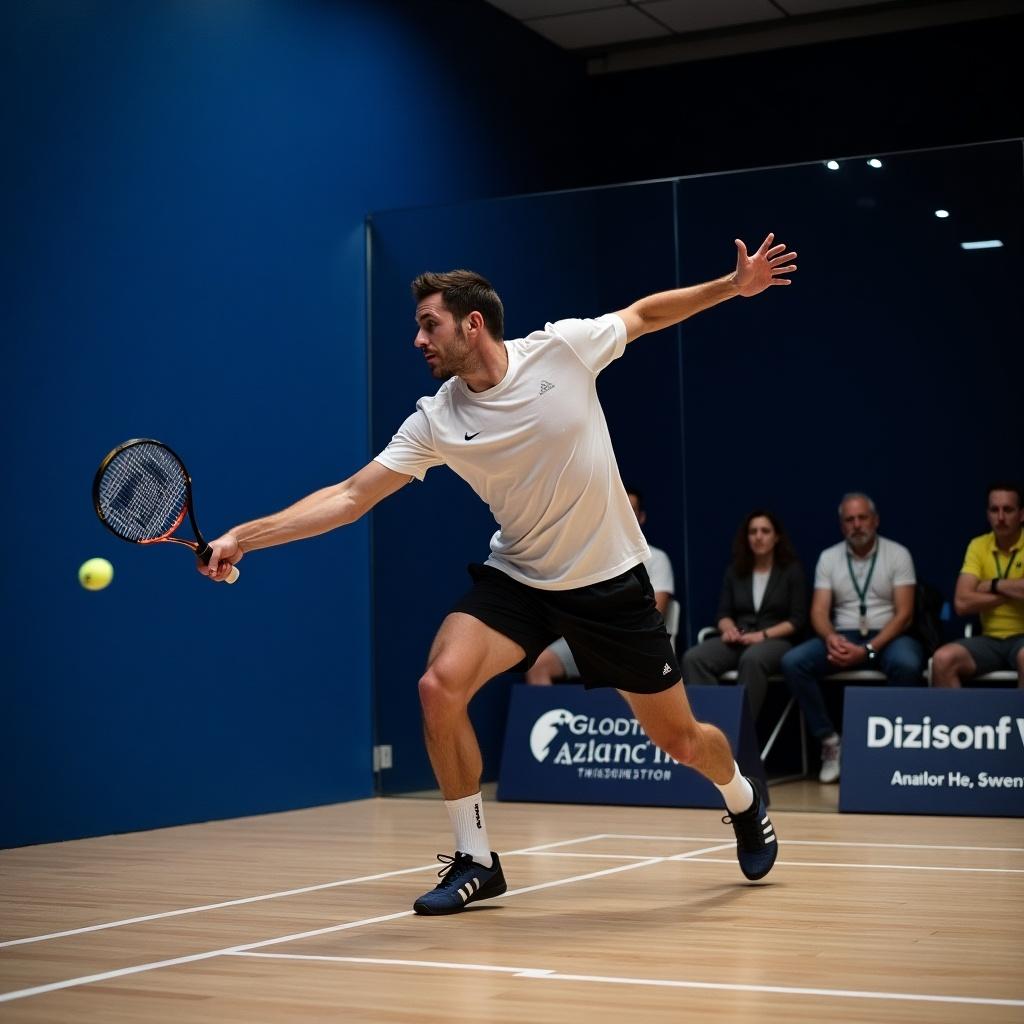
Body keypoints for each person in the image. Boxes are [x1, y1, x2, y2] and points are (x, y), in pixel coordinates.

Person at [200, 233, 798, 913]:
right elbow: (350, 496)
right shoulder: (436, 419)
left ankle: (744, 799)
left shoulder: (561, 349)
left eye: (429, 325)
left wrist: (732, 285)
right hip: (519, 576)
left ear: (471, 323)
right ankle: (476, 858)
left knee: (680, 741)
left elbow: (645, 315)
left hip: (607, 582)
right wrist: (244, 538)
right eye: (417, 328)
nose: (418, 341)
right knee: (438, 686)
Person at [780, 493, 924, 784]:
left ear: (875, 520)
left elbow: (905, 614)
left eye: (862, 518)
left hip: (888, 635)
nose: (857, 525)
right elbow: (819, 611)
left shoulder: (898, 554)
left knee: (908, 663)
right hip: (843, 635)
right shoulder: (829, 557)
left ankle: (888, 746)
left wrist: (869, 649)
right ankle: (830, 741)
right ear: (842, 525)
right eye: (849, 519)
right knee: (794, 662)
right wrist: (831, 637)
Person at [525, 485, 674, 685]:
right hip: (590, 639)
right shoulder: (593, 556)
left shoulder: (656, 558)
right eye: (620, 510)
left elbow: (657, 612)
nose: (625, 517)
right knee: (539, 665)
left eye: (631, 511)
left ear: (641, 517)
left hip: (633, 643)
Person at [682, 510, 806, 720]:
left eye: (765, 531)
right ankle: (712, 727)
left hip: (775, 640)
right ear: (746, 537)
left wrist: (762, 635)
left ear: (776, 537)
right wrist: (728, 629)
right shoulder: (736, 571)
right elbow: (723, 613)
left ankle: (737, 732)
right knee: (694, 658)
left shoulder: (791, 571)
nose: (758, 536)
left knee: (752, 660)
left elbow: (797, 620)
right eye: (753, 531)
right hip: (740, 637)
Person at [932, 482, 1024, 687]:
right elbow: (962, 603)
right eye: (994, 510)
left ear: (1021, 514)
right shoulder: (978, 545)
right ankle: (959, 719)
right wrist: (1013, 590)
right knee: (942, 660)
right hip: (989, 640)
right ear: (987, 514)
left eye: (1008, 510)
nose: (1000, 517)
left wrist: (992, 584)